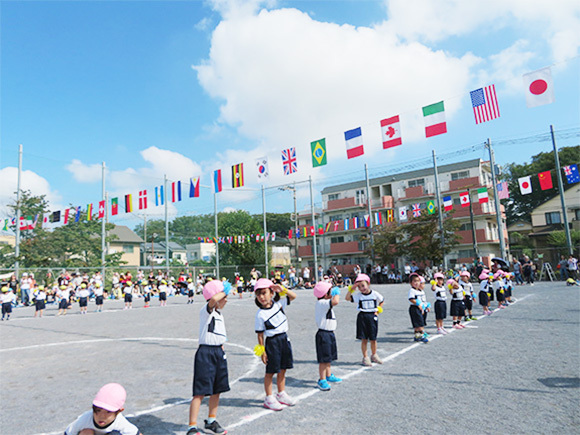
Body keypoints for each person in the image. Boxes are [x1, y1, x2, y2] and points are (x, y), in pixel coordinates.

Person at [187, 280, 231, 435]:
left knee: (217, 389)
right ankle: (192, 426)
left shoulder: (219, 314)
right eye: (224, 296)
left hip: (218, 352)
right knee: (199, 392)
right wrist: (224, 291)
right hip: (206, 353)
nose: (226, 299)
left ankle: (211, 420)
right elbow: (213, 300)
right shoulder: (207, 310)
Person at [254, 278, 297, 411]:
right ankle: (269, 397)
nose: (261, 297)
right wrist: (262, 352)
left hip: (284, 339)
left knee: (283, 368)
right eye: (258, 294)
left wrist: (282, 289)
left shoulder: (279, 303)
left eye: (264, 293)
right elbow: (260, 334)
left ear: (271, 293)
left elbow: (294, 296)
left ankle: (281, 393)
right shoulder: (260, 315)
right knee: (271, 371)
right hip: (272, 343)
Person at [65, 383, 141, 435]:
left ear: (119, 411)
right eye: (98, 410)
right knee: (87, 432)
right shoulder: (85, 419)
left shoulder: (120, 422)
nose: (102, 416)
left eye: (108, 412)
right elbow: (68, 433)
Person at [345, 273, 384, 366]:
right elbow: (347, 298)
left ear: (368, 284)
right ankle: (365, 357)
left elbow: (381, 300)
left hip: (372, 317)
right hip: (362, 317)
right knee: (364, 339)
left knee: (373, 338)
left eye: (363, 285)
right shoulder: (358, 296)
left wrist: (378, 310)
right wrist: (351, 289)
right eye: (359, 287)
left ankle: (374, 355)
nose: (361, 288)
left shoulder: (374, 294)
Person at [313, 281, 342, 391]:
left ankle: (329, 375)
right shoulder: (322, 303)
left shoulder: (324, 302)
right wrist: (337, 293)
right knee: (324, 358)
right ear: (325, 294)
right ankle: (322, 379)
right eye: (330, 291)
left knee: (329, 357)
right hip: (323, 334)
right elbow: (335, 301)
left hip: (329, 333)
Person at [407, 273, 430, 343]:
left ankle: (417, 335)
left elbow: (423, 300)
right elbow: (411, 299)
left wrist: (426, 306)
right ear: (411, 283)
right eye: (414, 281)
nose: (416, 283)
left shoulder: (420, 291)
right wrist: (418, 303)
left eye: (418, 281)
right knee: (419, 323)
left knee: (420, 322)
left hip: (422, 308)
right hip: (415, 308)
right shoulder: (412, 291)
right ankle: (422, 335)